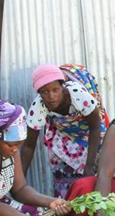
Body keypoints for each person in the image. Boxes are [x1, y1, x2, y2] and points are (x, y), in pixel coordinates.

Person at [22, 64, 108, 199]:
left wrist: (89, 166)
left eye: (55, 90)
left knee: (97, 174)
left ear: (63, 87)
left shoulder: (78, 95)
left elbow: (95, 126)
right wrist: (19, 182)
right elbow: (28, 146)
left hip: (91, 131)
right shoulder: (38, 107)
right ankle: (66, 209)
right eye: (45, 92)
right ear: (39, 93)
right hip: (64, 132)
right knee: (63, 179)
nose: (51, 96)